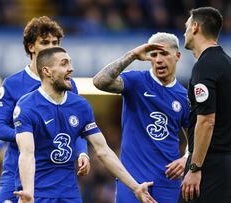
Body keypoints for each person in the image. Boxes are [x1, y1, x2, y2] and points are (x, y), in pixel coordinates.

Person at [12, 47, 156, 203]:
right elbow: (26, 154)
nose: (71, 68)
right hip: (37, 194)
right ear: (47, 71)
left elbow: (103, 151)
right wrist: (28, 193)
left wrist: (135, 187)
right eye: (64, 64)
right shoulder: (26, 106)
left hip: (69, 194)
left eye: (70, 63)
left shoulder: (80, 105)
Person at [0, 16, 90, 203]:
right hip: (17, 171)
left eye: (55, 42)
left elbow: (78, 128)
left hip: (57, 178)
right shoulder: (13, 84)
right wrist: (31, 136)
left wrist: (82, 152)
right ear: (31, 47)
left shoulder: (69, 84)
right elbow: (0, 128)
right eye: (45, 42)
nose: (52, 46)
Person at [93, 32, 190, 203]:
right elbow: (100, 82)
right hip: (131, 181)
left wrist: (186, 158)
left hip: (167, 182)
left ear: (177, 56)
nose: (158, 60)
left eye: (164, 53)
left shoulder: (184, 97)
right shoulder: (136, 81)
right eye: (153, 54)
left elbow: (196, 136)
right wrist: (131, 55)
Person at [180, 7, 231, 202]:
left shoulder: (206, 66)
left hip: (210, 164)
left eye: (187, 26)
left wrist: (195, 168)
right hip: (228, 161)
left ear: (196, 27)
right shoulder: (228, 63)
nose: (184, 32)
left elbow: (207, 121)